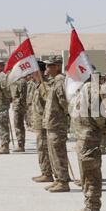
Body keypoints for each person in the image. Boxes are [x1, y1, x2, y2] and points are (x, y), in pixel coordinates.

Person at [70, 73, 106, 211]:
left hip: (89, 137)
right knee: (86, 174)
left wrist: (101, 128)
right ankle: (89, 206)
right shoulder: (82, 89)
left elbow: (98, 116)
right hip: (83, 137)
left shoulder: (91, 88)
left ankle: (93, 208)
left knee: (91, 173)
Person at [43, 56, 71, 193]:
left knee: (59, 153)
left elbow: (65, 103)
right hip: (52, 123)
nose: (47, 68)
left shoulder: (60, 81)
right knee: (53, 153)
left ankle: (63, 181)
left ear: (57, 67)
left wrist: (65, 119)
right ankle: (58, 179)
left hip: (58, 124)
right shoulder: (54, 81)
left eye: (49, 66)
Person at [31, 61, 54, 184]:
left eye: (33, 72)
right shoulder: (38, 85)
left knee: (43, 147)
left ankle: (47, 173)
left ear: (38, 72)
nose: (31, 74)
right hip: (39, 122)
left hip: (43, 122)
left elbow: (49, 105)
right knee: (41, 147)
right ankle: (45, 172)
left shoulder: (44, 86)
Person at [10, 77, 28, 152]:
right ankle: (20, 144)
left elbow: (22, 96)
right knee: (18, 125)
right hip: (17, 105)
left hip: (19, 106)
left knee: (18, 125)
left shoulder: (21, 81)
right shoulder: (16, 81)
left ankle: (21, 145)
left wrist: (20, 104)